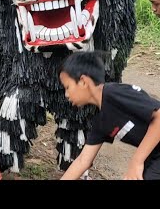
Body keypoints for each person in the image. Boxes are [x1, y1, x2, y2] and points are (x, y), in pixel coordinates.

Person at [59, 51, 160, 180]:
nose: (66, 95)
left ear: (83, 81)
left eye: (67, 87)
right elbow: (83, 161)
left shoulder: (115, 93)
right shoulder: (101, 121)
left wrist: (136, 162)